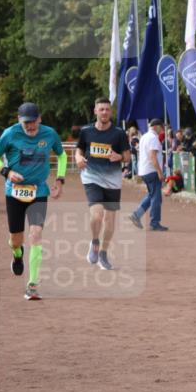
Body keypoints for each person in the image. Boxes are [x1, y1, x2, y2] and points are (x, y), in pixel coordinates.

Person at [0, 102, 66, 300]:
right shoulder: (10, 134)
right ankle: (17, 255)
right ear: (19, 121)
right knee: (16, 239)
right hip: (14, 192)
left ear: (39, 119)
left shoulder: (50, 134)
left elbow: (61, 156)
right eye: (26, 123)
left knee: (36, 234)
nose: (30, 126)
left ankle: (32, 285)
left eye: (33, 122)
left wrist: (60, 180)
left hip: (39, 191)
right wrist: (6, 172)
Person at [75, 97, 131, 271]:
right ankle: (94, 242)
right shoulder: (86, 131)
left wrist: (119, 157)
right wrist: (78, 158)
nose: (105, 112)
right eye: (101, 109)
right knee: (97, 215)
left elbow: (127, 157)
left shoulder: (119, 133)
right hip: (91, 177)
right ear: (95, 111)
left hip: (113, 180)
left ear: (110, 112)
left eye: (107, 109)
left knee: (110, 220)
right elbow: (79, 150)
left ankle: (104, 253)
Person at [129, 118, 169, 231]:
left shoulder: (144, 137)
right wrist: (160, 172)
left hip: (145, 170)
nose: (162, 130)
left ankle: (137, 214)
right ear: (156, 126)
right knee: (156, 197)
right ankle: (154, 222)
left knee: (152, 195)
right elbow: (153, 157)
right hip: (151, 171)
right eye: (161, 127)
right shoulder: (153, 138)